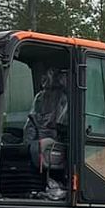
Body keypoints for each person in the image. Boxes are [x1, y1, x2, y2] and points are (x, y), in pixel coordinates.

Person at [27, 66, 70, 200]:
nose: (45, 80)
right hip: (39, 137)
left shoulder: (63, 98)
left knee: (38, 147)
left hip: (54, 140)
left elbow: (62, 124)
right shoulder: (40, 98)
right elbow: (32, 120)